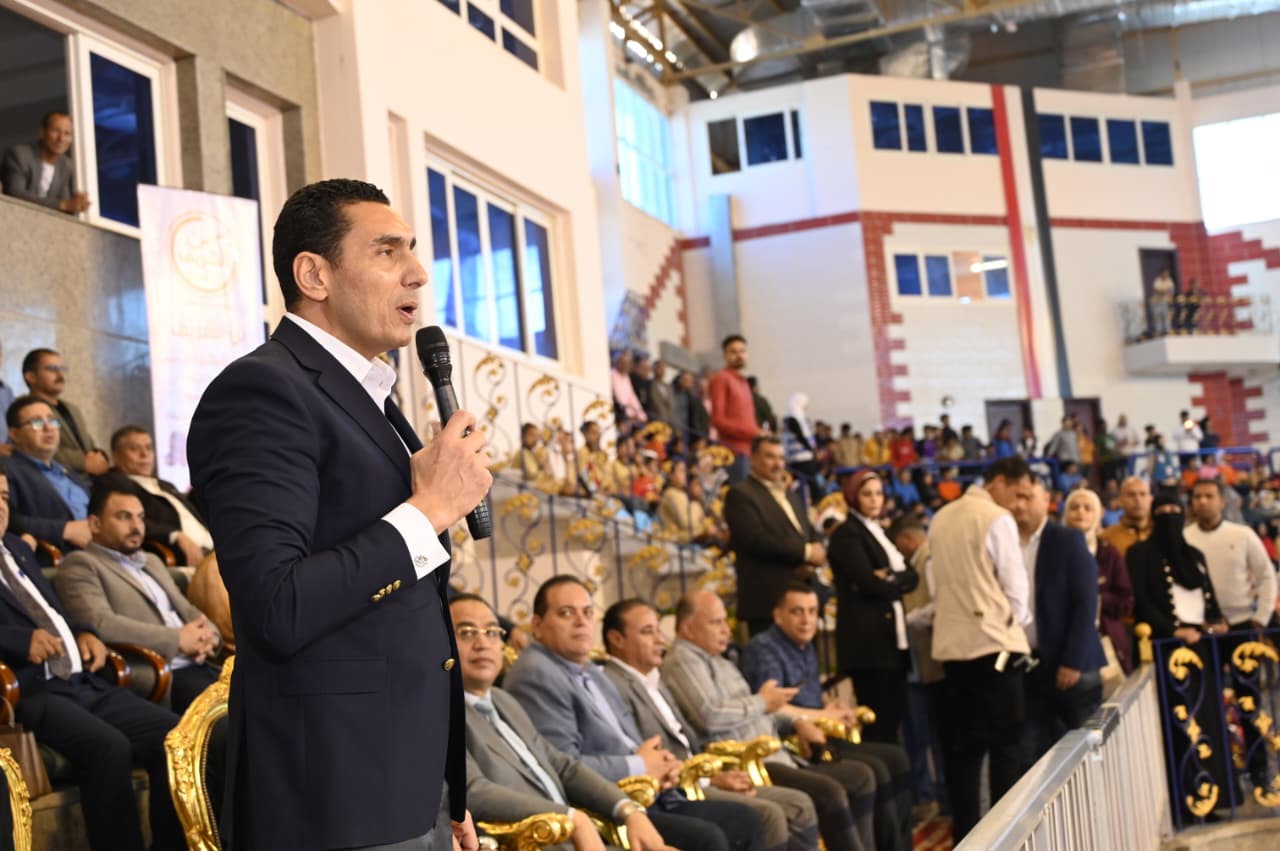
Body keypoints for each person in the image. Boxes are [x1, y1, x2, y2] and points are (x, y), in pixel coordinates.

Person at [187, 179, 492, 850]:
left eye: (413, 249)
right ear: (314, 275)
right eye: (387, 251)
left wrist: (445, 789)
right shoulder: (263, 390)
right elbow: (277, 606)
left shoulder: (370, 399)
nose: (417, 272)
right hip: (333, 800)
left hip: (407, 784)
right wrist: (428, 510)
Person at [502, 577, 766, 851]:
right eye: (566, 613)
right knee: (713, 835)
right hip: (605, 806)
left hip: (652, 793)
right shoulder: (537, 674)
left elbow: (633, 742)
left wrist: (662, 765)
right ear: (537, 625)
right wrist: (641, 765)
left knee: (745, 819)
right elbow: (564, 765)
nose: (581, 622)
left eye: (587, 612)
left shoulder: (590, 668)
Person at [0, 470, 184, 851]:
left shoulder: (16, 547)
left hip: (83, 680)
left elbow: (53, 612)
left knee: (176, 735)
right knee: (109, 747)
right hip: (31, 689)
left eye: (3, 497)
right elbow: (26, 630)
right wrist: (19, 641)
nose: (1, 506)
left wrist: (86, 633)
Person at [450, 593, 677, 851]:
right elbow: (473, 791)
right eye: (467, 633)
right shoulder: (440, 713)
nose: (482, 643)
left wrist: (628, 809)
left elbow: (562, 766)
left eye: (492, 632)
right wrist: (570, 818)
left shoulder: (503, 701)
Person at [662, 591, 877, 851]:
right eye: (715, 622)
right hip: (746, 760)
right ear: (688, 628)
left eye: (724, 621)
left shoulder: (719, 661)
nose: (725, 629)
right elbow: (710, 716)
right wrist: (763, 702)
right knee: (828, 793)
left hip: (777, 751)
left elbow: (761, 708)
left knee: (862, 775)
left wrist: (796, 722)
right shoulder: (684, 661)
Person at [601, 599, 820, 851]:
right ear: (616, 639)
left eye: (658, 630)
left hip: (703, 772)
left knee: (795, 804)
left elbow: (688, 738)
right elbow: (654, 751)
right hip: (672, 787)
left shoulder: (654, 678)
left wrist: (798, 720)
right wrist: (710, 778)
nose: (660, 639)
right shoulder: (613, 684)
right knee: (766, 814)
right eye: (647, 632)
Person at [739, 584, 914, 851]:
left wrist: (830, 704)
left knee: (896, 758)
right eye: (797, 612)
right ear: (778, 616)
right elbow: (774, 706)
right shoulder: (764, 648)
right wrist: (826, 714)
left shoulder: (804, 643)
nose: (806, 620)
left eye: (812, 611)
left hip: (822, 730)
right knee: (874, 770)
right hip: (797, 741)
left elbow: (806, 693)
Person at [927, 456, 1034, 840]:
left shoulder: (940, 517)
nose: (1019, 505)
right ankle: (1007, 836)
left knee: (965, 749)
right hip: (994, 643)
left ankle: (968, 836)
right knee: (1007, 743)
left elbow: (935, 584)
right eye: (1018, 494)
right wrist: (1015, 622)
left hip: (952, 648)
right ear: (999, 482)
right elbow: (1015, 584)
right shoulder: (995, 518)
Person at [54, 474, 221, 712]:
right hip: (163, 672)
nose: (136, 526)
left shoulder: (152, 561)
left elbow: (187, 610)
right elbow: (101, 623)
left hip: (200, 662)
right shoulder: (81, 564)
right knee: (238, 714)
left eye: (140, 517)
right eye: (124, 517)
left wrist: (210, 636)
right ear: (95, 524)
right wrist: (177, 640)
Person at [1127, 494, 1231, 818]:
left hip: (1201, 651)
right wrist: (1173, 630)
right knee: (1180, 724)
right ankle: (1186, 803)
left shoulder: (1194, 555)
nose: (1169, 516)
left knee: (1208, 721)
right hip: (1169, 654)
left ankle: (1214, 797)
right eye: (1162, 511)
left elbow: (1208, 597)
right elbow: (1142, 602)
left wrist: (1216, 622)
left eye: (1175, 510)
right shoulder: (1140, 554)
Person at [1012, 481, 1105, 767]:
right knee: (1034, 756)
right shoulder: (1007, 542)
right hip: (1029, 665)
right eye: (1016, 497)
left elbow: (1085, 602)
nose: (1020, 505)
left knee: (1086, 753)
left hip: (1073, 667)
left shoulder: (1067, 539)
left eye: (1028, 497)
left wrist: (1073, 661)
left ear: (1046, 500)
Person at [827, 470, 918, 746]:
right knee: (879, 723)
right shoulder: (847, 534)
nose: (874, 500)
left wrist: (887, 576)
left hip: (891, 641)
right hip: (870, 645)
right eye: (867, 494)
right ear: (853, 496)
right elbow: (867, 582)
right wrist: (888, 580)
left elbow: (912, 577)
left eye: (878, 493)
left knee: (893, 719)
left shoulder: (881, 532)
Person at [723, 436, 825, 636]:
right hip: (768, 602)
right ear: (753, 459)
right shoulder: (740, 494)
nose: (778, 464)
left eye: (781, 458)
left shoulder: (791, 496)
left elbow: (809, 532)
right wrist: (805, 553)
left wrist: (813, 558)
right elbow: (756, 540)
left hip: (802, 596)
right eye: (770, 457)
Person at [888, 518, 947, 818]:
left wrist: (906, 619)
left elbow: (939, 606)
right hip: (916, 664)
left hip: (929, 661)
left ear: (907, 540)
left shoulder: (930, 561)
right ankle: (926, 796)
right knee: (918, 734)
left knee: (932, 735)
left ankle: (939, 797)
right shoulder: (917, 563)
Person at [109, 425, 212, 566]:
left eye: (148, 448)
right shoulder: (116, 486)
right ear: (115, 457)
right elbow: (130, 522)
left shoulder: (166, 485)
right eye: (134, 449)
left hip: (216, 547)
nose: (144, 454)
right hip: (184, 556)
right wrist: (174, 535)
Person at [3, 395, 93, 551]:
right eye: (37, 422)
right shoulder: (7, 469)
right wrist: (64, 530)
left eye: (52, 421)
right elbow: (10, 520)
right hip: (63, 554)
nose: (48, 428)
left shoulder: (68, 472)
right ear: (14, 433)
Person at [1064, 489, 1134, 675]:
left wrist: (1094, 599)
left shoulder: (1109, 553)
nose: (1080, 512)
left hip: (1107, 641)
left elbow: (1125, 600)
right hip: (1064, 643)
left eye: (1088, 508)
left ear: (1098, 514)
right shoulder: (1052, 550)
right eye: (1074, 507)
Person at [21, 348, 108, 476]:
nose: (60, 375)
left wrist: (100, 457)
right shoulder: (26, 410)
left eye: (62, 369)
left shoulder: (73, 409)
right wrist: (83, 462)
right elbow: (36, 447)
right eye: (52, 369)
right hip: (56, 478)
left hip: (90, 478)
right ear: (31, 377)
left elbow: (88, 445)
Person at [1, 110, 91, 213]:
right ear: (42, 132)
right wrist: (63, 204)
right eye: (56, 131)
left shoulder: (66, 166)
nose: (61, 138)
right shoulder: (19, 155)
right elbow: (15, 193)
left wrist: (77, 204)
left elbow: (65, 204)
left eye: (67, 133)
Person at [708, 336, 761, 482]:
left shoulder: (744, 382)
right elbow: (718, 420)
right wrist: (753, 432)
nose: (739, 356)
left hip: (750, 451)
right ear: (725, 356)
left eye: (742, 351)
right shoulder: (721, 379)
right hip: (733, 452)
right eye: (733, 352)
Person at [1099, 476, 1153, 560]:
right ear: (1120, 500)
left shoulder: (1163, 534)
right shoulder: (1105, 539)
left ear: (1151, 499)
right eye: (1131, 495)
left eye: (1143, 494)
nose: (1138, 499)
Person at [612, 352, 648, 432]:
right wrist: (631, 414)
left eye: (627, 363)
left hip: (629, 413)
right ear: (617, 363)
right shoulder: (612, 374)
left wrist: (641, 415)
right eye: (623, 363)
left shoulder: (626, 377)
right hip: (619, 412)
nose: (625, 365)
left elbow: (632, 397)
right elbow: (619, 397)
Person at [1149, 269, 1175, 337]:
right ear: (1161, 274)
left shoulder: (1169, 280)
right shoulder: (1157, 280)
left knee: (1166, 315)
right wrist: (1165, 291)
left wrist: (1165, 291)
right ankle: (1158, 331)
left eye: (1167, 274)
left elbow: (1171, 291)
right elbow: (1157, 290)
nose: (1166, 275)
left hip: (1164, 301)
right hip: (1155, 302)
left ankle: (1167, 331)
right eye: (1164, 274)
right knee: (1157, 317)